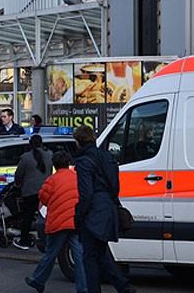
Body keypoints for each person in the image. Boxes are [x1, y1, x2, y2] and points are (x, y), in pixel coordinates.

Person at [73, 126, 137, 293]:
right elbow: (115, 187)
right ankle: (123, 286)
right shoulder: (107, 157)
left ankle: (99, 289)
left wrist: (79, 215)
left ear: (78, 142)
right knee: (100, 254)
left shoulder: (83, 162)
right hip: (108, 208)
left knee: (89, 257)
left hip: (93, 212)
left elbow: (86, 194)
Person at [24, 151, 86, 293]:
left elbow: (43, 198)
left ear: (54, 165)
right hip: (75, 220)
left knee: (50, 253)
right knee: (78, 255)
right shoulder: (76, 177)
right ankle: (83, 288)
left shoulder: (51, 180)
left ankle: (39, 280)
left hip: (58, 222)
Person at [13, 134, 53, 250]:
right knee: (46, 217)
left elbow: (19, 175)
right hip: (45, 191)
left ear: (30, 144)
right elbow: (49, 173)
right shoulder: (49, 156)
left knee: (27, 217)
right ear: (41, 144)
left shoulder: (26, 157)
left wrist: (17, 185)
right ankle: (48, 240)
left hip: (29, 192)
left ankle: (24, 241)